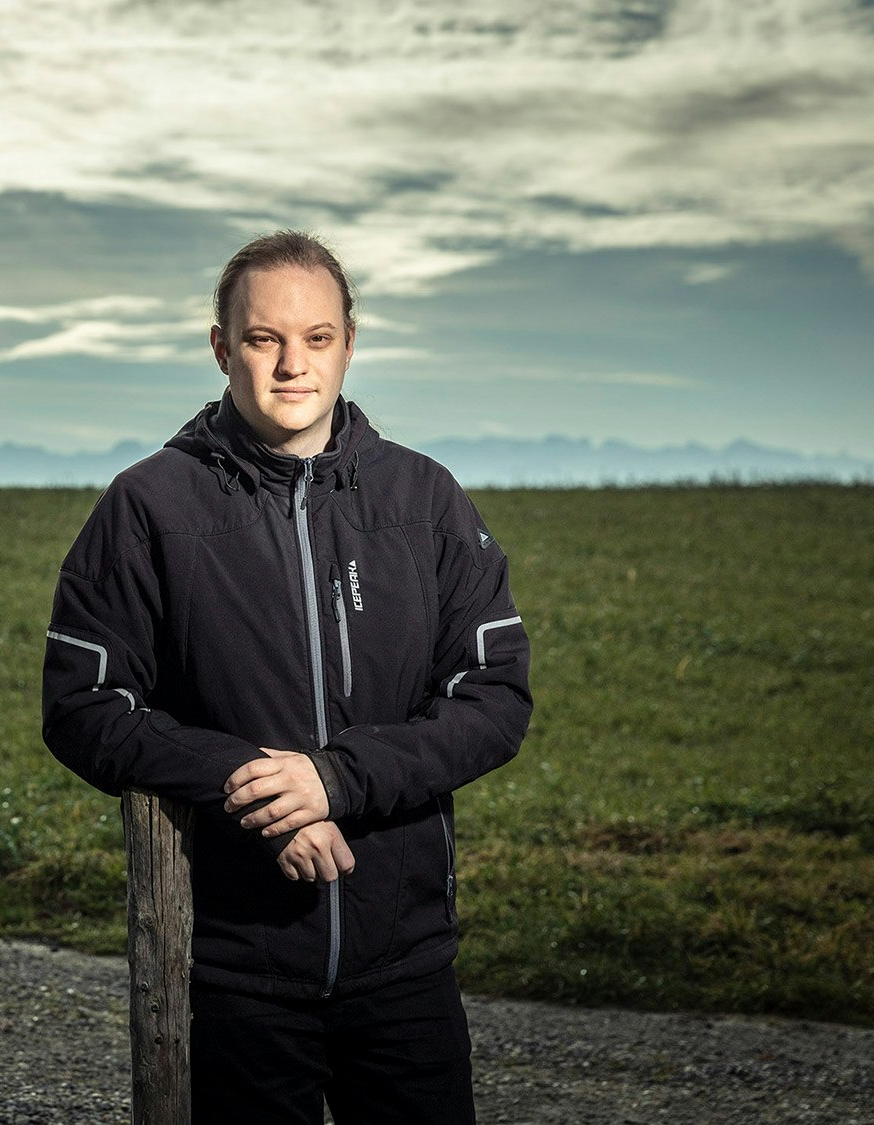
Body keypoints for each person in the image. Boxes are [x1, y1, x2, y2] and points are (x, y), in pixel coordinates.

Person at [41, 230, 532, 1123]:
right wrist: (251, 784)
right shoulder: (150, 506)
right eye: (264, 339)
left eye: (316, 338)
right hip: (237, 967)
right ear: (223, 347)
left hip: (405, 961)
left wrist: (336, 778)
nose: (291, 364)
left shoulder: (426, 502)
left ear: (350, 342)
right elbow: (82, 706)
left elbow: (494, 699)